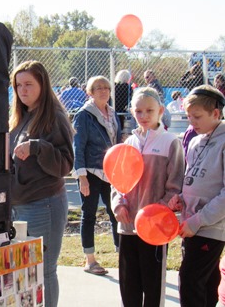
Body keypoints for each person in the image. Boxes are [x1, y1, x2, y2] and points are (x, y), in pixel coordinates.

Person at [112, 87, 184, 307]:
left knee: (152, 283)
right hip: (128, 225)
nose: (143, 116)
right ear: (132, 112)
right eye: (139, 111)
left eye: (149, 111)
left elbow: (175, 186)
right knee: (129, 281)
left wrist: (156, 213)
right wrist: (119, 204)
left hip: (154, 229)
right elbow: (118, 181)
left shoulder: (170, 142)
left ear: (161, 110)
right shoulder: (128, 144)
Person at [9, 60, 74, 307]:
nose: (22, 90)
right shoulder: (20, 117)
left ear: (43, 85)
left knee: (44, 272)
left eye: (28, 84)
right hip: (19, 204)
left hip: (44, 205)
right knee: (23, 272)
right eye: (18, 85)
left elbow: (65, 164)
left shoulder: (54, 118)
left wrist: (38, 147)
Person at [168, 85, 225, 307]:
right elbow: (193, 179)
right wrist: (181, 198)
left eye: (197, 116)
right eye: (189, 116)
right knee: (206, 282)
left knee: (190, 281)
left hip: (210, 227)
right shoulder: (194, 141)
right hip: (190, 225)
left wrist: (199, 220)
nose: (192, 121)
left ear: (216, 114)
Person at [72, 76, 121, 276]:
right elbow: (78, 145)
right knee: (89, 214)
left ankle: (122, 254)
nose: (103, 90)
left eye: (106, 87)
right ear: (90, 92)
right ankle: (90, 259)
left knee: (116, 212)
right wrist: (81, 176)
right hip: (90, 172)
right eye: (98, 88)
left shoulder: (113, 114)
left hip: (111, 173)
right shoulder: (84, 115)